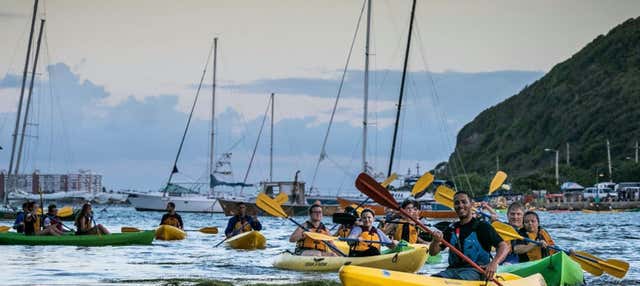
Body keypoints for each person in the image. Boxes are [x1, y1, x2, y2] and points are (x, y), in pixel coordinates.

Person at [429, 191, 509, 281]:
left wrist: (494, 263)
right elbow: (433, 253)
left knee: (458, 280)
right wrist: (435, 241)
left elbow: (504, 246)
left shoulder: (483, 227)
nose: (460, 206)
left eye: (464, 202)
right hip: (452, 271)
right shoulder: (451, 228)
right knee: (433, 279)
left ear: (471, 204)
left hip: (476, 271)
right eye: (457, 203)